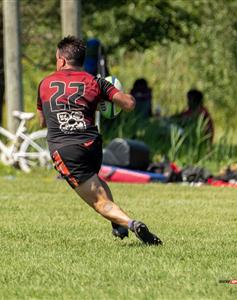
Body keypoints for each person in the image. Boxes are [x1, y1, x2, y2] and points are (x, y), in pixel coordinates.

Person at [37, 36, 162, 245]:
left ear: (61, 60)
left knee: (99, 201)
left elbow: (42, 122)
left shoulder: (45, 84)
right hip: (92, 146)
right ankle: (118, 225)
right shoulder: (95, 82)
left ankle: (130, 223)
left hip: (66, 150)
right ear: (81, 61)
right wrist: (106, 98)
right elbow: (129, 104)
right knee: (95, 181)